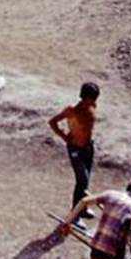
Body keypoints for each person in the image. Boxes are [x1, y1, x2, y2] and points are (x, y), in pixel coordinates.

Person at [48, 82, 100, 225]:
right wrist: (64, 137)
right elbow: (52, 122)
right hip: (75, 148)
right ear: (84, 97)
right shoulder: (72, 110)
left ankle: (82, 209)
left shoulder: (92, 107)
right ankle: (75, 214)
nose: (94, 102)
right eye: (92, 98)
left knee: (86, 179)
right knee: (81, 179)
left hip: (88, 148)